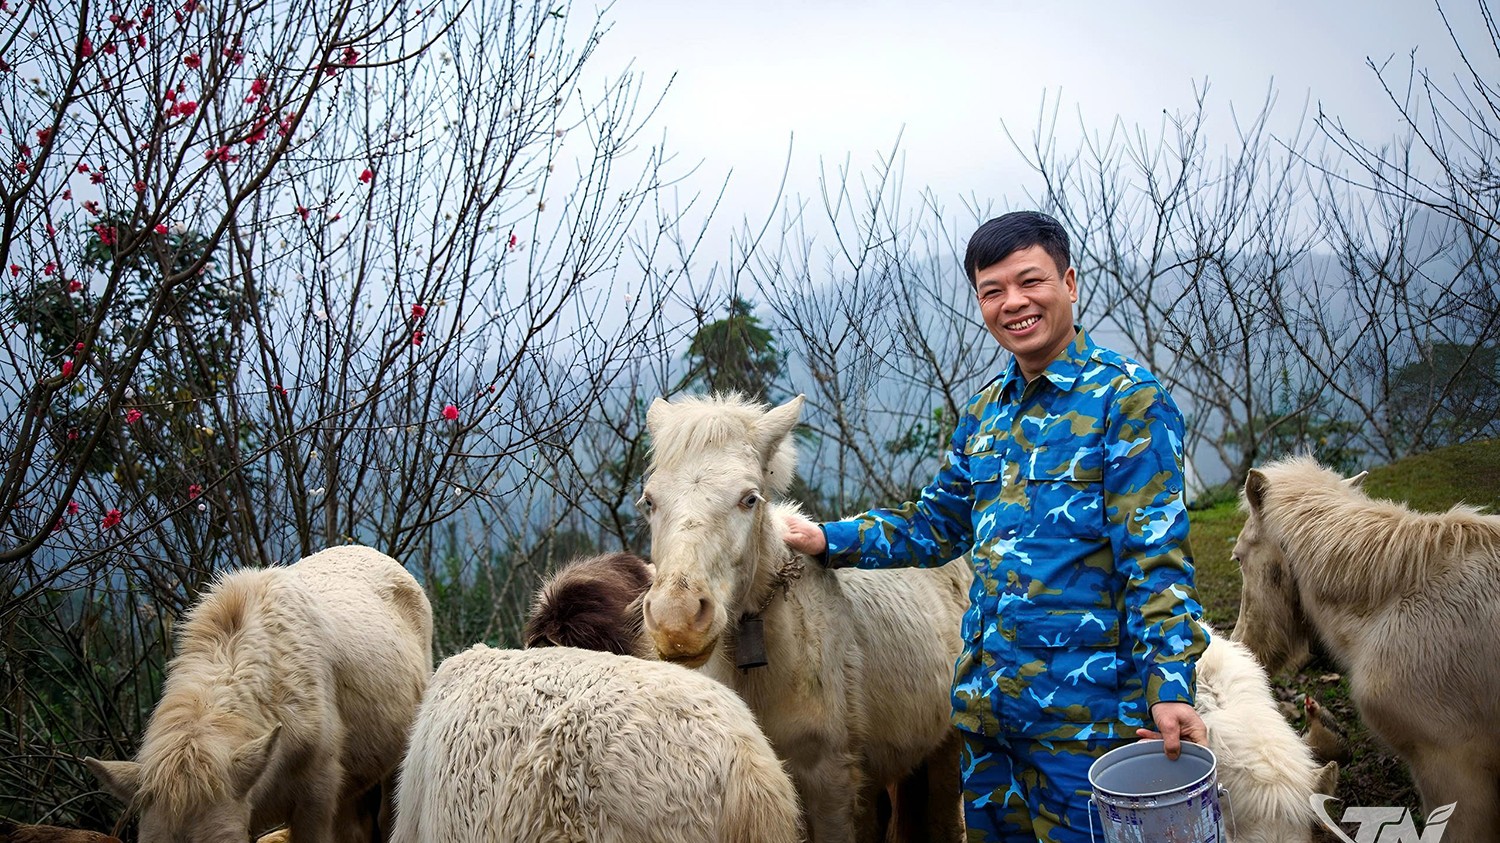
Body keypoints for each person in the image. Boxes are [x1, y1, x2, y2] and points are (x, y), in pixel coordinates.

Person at [783, 211, 1210, 843]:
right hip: (989, 724)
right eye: (992, 291)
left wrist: (1170, 686)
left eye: (1029, 281)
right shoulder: (985, 413)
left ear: (1068, 282)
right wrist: (830, 540)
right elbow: (936, 523)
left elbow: (1155, 559)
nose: (1013, 303)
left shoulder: (1126, 401)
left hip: (1086, 723)